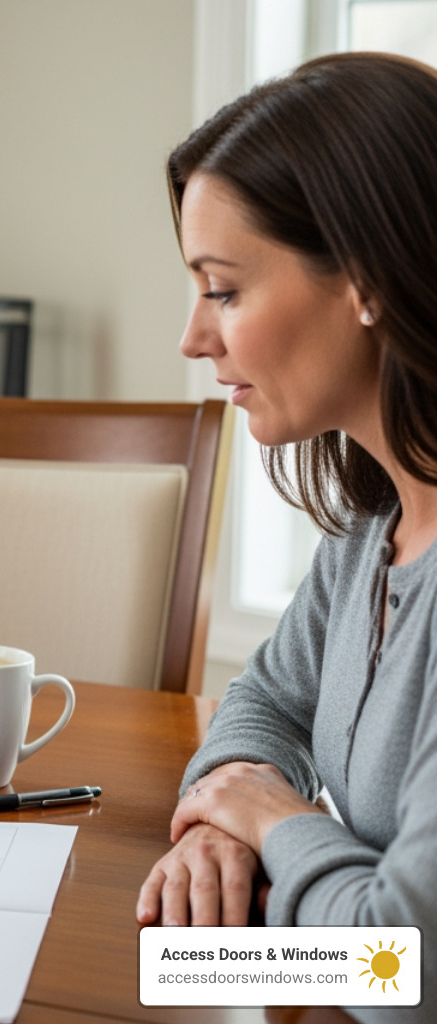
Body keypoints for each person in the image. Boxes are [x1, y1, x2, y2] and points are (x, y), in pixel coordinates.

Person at [133, 52, 437, 1017]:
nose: (193, 336)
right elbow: (267, 695)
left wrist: (273, 819)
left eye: (223, 289)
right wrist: (224, 814)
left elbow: (403, 973)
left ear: (367, 280)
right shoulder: (374, 526)